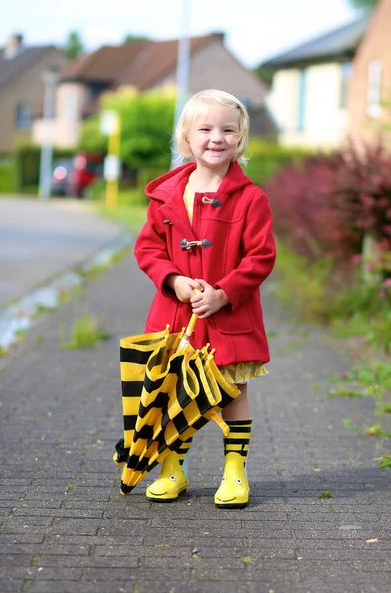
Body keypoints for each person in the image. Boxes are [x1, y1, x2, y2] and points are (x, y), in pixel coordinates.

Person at [133, 89, 276, 508]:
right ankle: (172, 468)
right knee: (176, 390)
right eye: (206, 129)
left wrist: (225, 292)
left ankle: (234, 472)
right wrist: (174, 279)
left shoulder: (251, 198)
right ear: (186, 138)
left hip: (229, 316)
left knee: (232, 391)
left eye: (228, 130)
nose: (217, 137)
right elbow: (148, 249)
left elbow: (262, 256)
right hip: (175, 315)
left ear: (241, 138)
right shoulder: (166, 196)